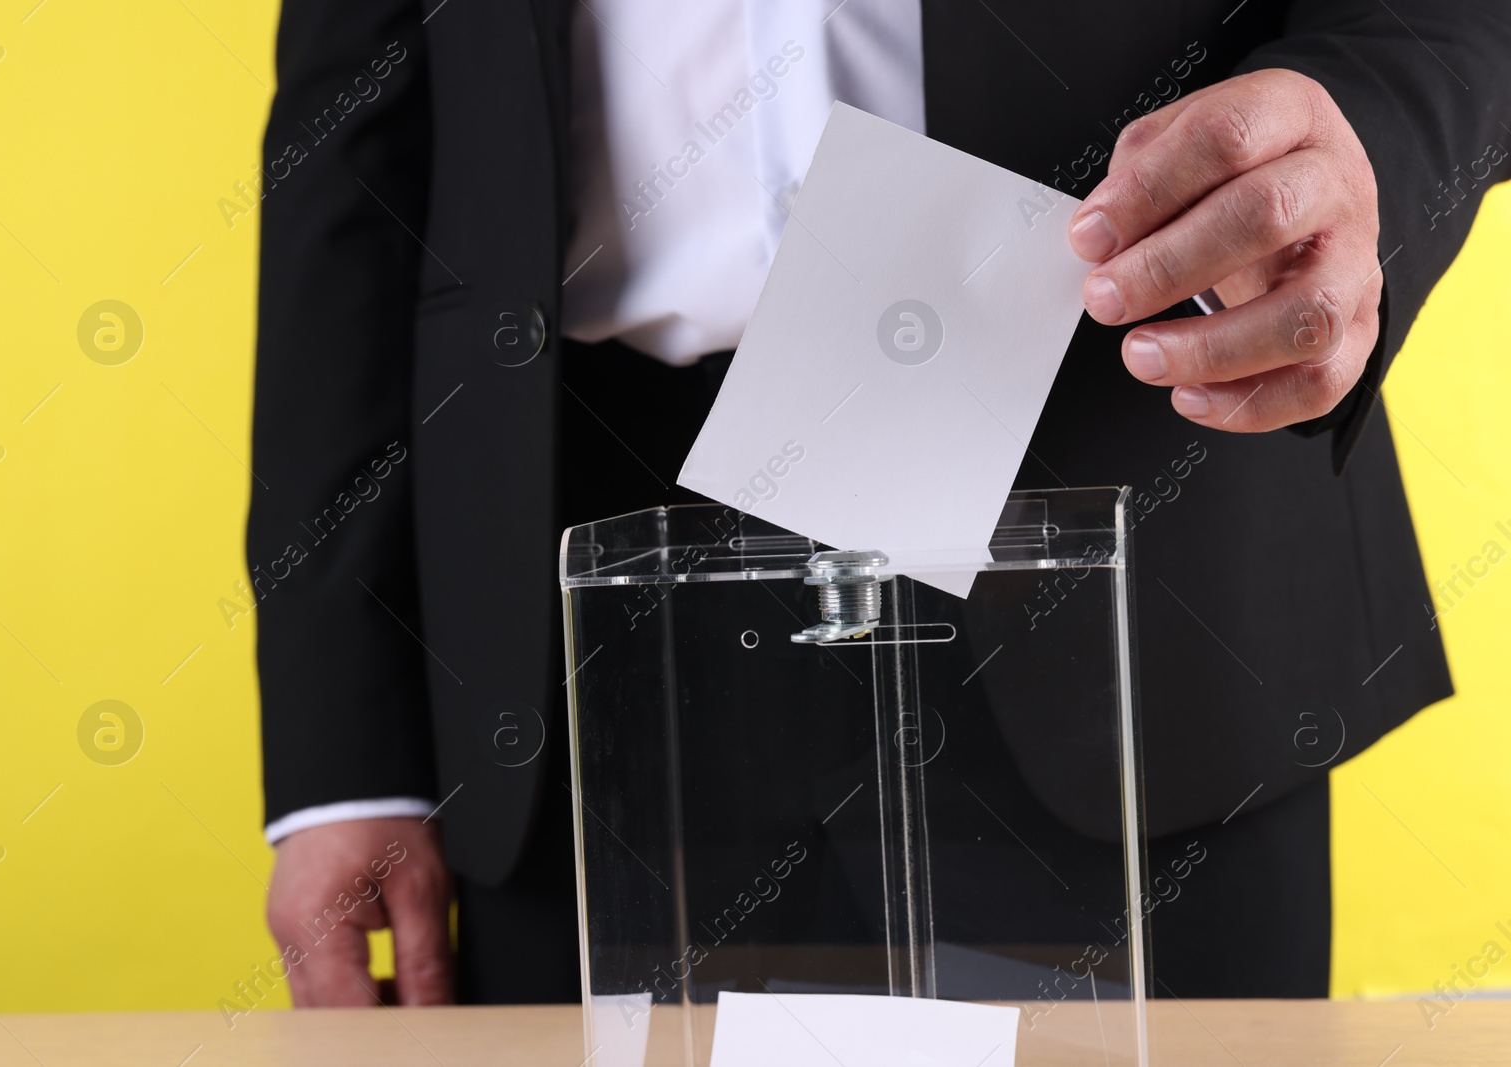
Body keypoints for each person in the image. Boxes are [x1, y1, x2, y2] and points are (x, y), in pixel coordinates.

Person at [248, 0, 1511, 1007]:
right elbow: (344, 151)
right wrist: (343, 756)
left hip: (1126, 521)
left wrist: (1365, 145)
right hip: (573, 604)